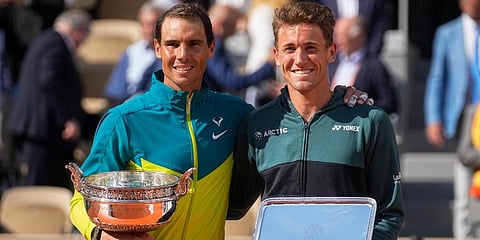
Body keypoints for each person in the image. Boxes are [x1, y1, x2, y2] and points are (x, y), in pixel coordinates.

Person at [69, 3, 372, 240]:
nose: (182, 55)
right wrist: (98, 232)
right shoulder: (123, 120)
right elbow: (79, 201)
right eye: (173, 44)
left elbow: (295, 111)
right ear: (157, 48)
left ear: (212, 48)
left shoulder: (236, 114)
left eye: (194, 44)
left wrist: (343, 98)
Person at [228, 2, 404, 240]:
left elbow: (388, 214)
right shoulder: (257, 124)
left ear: (331, 51)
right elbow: (232, 206)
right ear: (277, 56)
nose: (300, 59)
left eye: (310, 47)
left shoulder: (370, 122)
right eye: (289, 48)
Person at [6, 9, 92, 190]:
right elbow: (50, 83)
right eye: (84, 36)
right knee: (36, 190)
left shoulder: (45, 39)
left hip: (41, 132)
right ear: (79, 31)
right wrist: (66, 119)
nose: (83, 42)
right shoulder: (55, 43)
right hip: (41, 131)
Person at [424, 0, 480, 238]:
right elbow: (437, 78)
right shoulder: (447, 33)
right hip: (463, 118)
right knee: (463, 193)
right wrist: (434, 118)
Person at [330, 15, 398, 114]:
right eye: (336, 36)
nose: (337, 41)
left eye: (342, 35)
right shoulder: (331, 62)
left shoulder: (374, 66)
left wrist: (363, 110)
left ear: (358, 37)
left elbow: (389, 102)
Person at [103, 1, 165, 107]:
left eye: (154, 24)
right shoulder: (131, 52)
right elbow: (115, 93)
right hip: (132, 109)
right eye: (146, 24)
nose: (150, 30)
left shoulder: (174, 52)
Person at [204, 3, 276, 93]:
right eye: (232, 26)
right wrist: (268, 66)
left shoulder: (207, 42)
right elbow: (232, 82)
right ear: (221, 25)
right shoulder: (212, 45)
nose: (235, 31)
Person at [317, 0, 387, 57]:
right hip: (332, 60)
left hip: (365, 59)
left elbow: (378, 28)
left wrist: (370, 55)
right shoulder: (321, 2)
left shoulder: (373, 2)